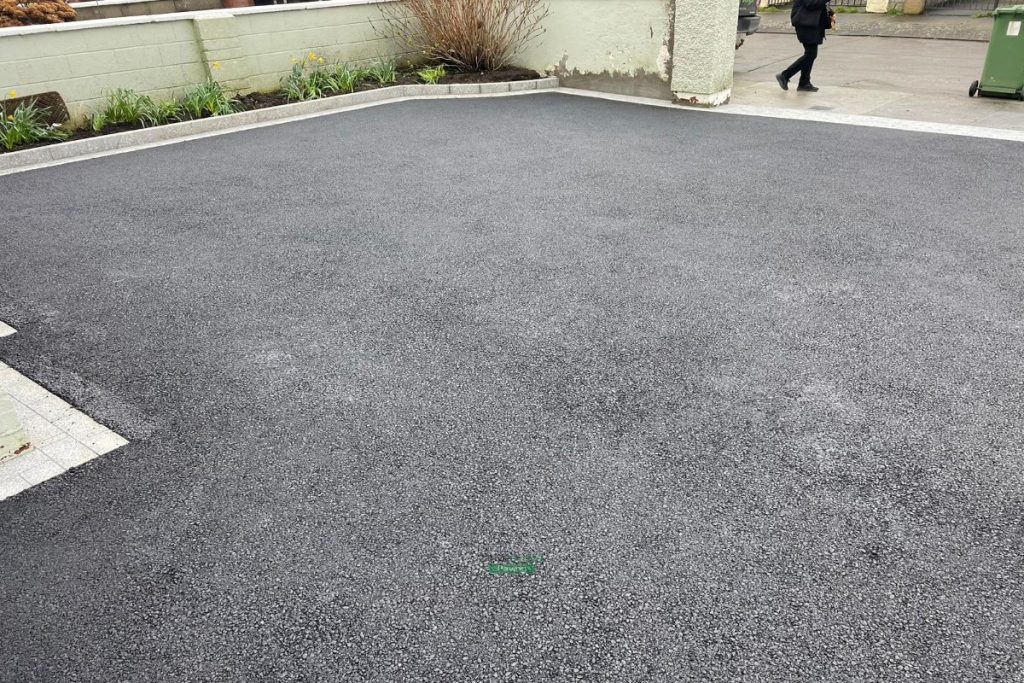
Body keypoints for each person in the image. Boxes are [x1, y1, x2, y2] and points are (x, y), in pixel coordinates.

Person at [775, 0, 835, 93]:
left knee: (810, 55)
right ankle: (785, 76)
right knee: (811, 55)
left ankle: (804, 82)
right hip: (805, 24)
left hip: (812, 24)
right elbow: (810, 4)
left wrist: (831, 13)